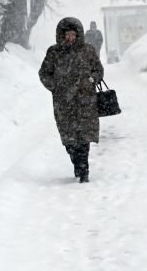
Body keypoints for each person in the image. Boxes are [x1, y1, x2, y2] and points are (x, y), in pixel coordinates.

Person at [39, 17, 104, 183]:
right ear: (61, 35)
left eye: (73, 34)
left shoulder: (88, 50)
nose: (70, 38)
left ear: (79, 35)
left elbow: (98, 70)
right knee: (69, 140)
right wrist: (55, 86)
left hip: (85, 101)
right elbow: (44, 73)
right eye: (67, 34)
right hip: (63, 103)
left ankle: (84, 170)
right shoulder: (54, 52)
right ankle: (76, 162)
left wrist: (92, 79)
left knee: (83, 138)